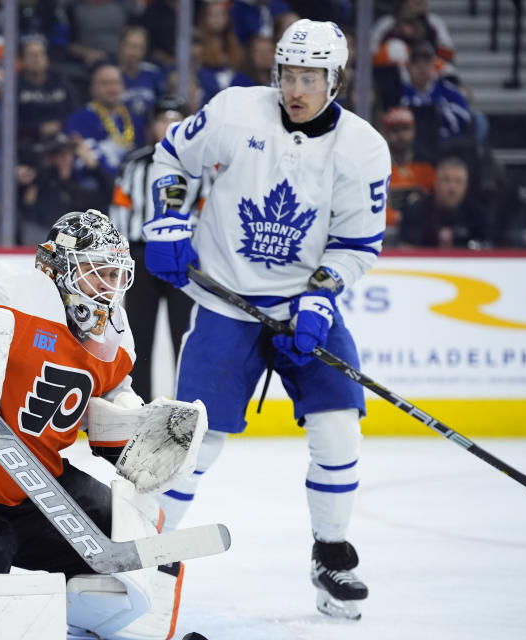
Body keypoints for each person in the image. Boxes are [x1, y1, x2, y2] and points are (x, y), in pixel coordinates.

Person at [142, 18, 390, 621]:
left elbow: (357, 244)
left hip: (305, 305)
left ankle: (331, 553)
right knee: (195, 439)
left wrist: (321, 296)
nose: (296, 88)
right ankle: (145, 552)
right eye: (288, 74)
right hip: (227, 302)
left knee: (339, 430)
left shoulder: (363, 149)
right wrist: (169, 222)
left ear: (335, 79)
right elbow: (173, 156)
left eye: (310, 77)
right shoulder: (235, 112)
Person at [0, 209, 198, 640]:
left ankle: (107, 618)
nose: (109, 289)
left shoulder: (117, 336)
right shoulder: (11, 290)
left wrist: (132, 428)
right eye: (97, 274)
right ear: (60, 269)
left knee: (134, 540)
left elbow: (104, 403)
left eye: (116, 276)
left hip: (36, 490)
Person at [109, 95, 206, 402]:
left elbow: (207, 215)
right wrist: (120, 257)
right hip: (140, 256)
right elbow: (120, 210)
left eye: (176, 120)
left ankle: (188, 407)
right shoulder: (135, 163)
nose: (168, 126)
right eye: (162, 119)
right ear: (151, 126)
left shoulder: (199, 167)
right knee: (138, 336)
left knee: (185, 336)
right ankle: (138, 408)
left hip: (184, 259)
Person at [399, 155, 488, 248]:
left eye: (458, 181)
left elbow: (488, 249)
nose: (452, 188)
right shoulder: (415, 212)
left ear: (466, 185)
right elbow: (406, 249)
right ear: (436, 182)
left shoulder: (478, 215)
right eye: (446, 180)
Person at [380, 106, 435, 246]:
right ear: (385, 133)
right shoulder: (378, 167)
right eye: (394, 130)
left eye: (405, 129)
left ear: (414, 130)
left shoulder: (427, 167)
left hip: (421, 235)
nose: (401, 135)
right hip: (384, 234)